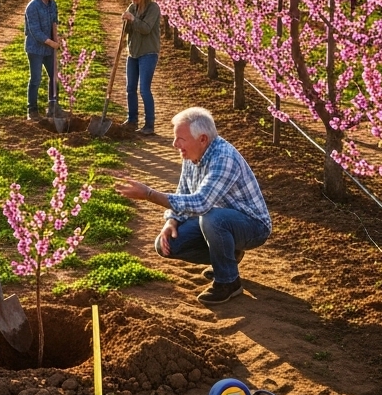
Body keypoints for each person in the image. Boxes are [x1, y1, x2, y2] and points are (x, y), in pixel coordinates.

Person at [114, 107, 271, 304]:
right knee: (167, 246)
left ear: (203, 139)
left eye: (181, 139)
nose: (174, 144)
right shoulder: (192, 155)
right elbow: (184, 192)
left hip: (252, 226)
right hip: (216, 220)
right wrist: (171, 221)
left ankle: (228, 282)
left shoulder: (224, 158)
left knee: (212, 218)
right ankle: (228, 255)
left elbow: (200, 203)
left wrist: (148, 194)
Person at [121, 0, 160, 135]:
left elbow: (146, 28)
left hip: (148, 53)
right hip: (133, 52)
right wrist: (125, 23)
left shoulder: (153, 8)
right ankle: (132, 119)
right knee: (130, 88)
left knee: (144, 89)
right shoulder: (132, 7)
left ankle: (149, 124)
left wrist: (133, 19)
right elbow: (128, 31)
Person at [24, 0, 60, 121]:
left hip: (49, 49)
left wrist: (57, 37)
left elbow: (55, 22)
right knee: (36, 79)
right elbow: (35, 31)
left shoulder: (52, 4)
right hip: (35, 49)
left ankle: (53, 105)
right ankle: (32, 109)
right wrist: (50, 42)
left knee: (54, 76)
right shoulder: (32, 7)